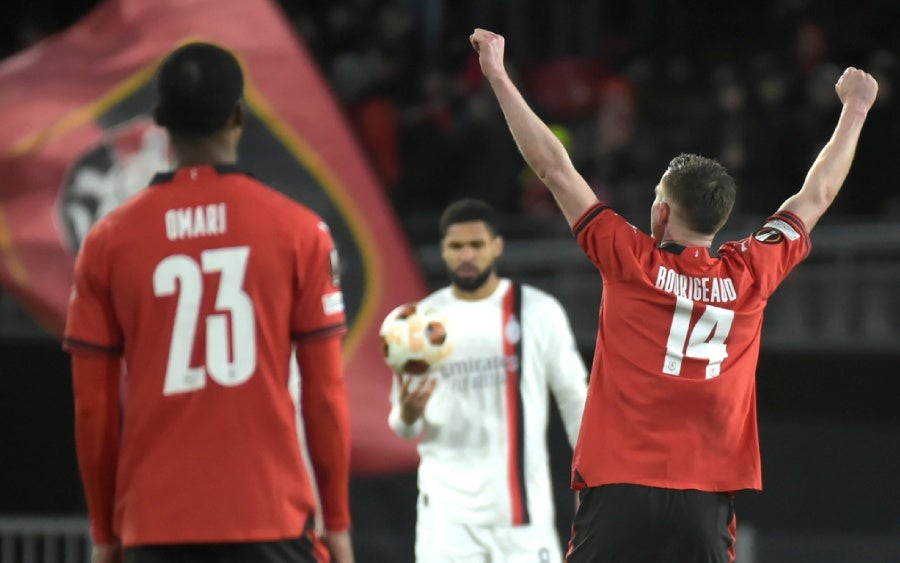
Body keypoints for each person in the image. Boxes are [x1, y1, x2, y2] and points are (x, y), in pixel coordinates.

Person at [469, 28, 878, 563]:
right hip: (705, 497)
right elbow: (816, 193)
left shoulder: (629, 259)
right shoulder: (751, 271)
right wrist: (856, 109)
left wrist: (498, 74)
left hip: (617, 487)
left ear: (660, 212)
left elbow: (553, 167)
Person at [64, 43, 355, 563]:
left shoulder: (107, 242)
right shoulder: (300, 231)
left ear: (159, 121)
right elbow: (326, 396)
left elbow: (94, 410)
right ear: (239, 115)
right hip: (270, 518)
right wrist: (336, 523)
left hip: (154, 525)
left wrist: (104, 533)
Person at [388, 198, 589, 562]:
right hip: (447, 518)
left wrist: (592, 478)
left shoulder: (537, 311)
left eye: (476, 245)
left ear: (496, 246)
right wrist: (406, 411)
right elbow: (402, 427)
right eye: (456, 246)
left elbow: (576, 398)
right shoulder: (420, 323)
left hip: (521, 516)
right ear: (444, 251)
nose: (466, 255)